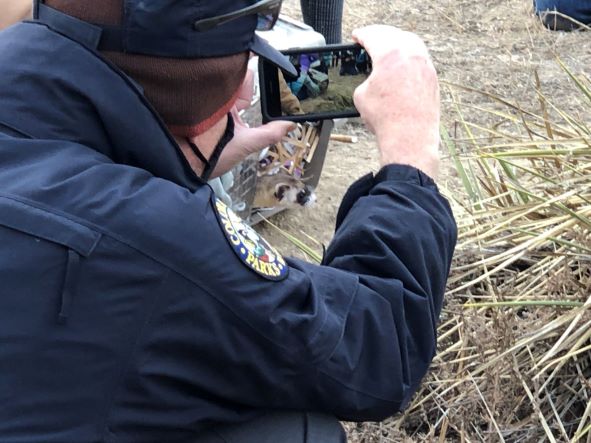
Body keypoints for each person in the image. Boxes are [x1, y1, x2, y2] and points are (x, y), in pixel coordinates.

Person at [0, 1, 456, 443]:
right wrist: (409, 156)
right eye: (244, 61)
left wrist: (175, 151)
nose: (243, 91)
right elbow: (376, 345)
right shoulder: (159, 240)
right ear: (210, 87)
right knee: (295, 433)